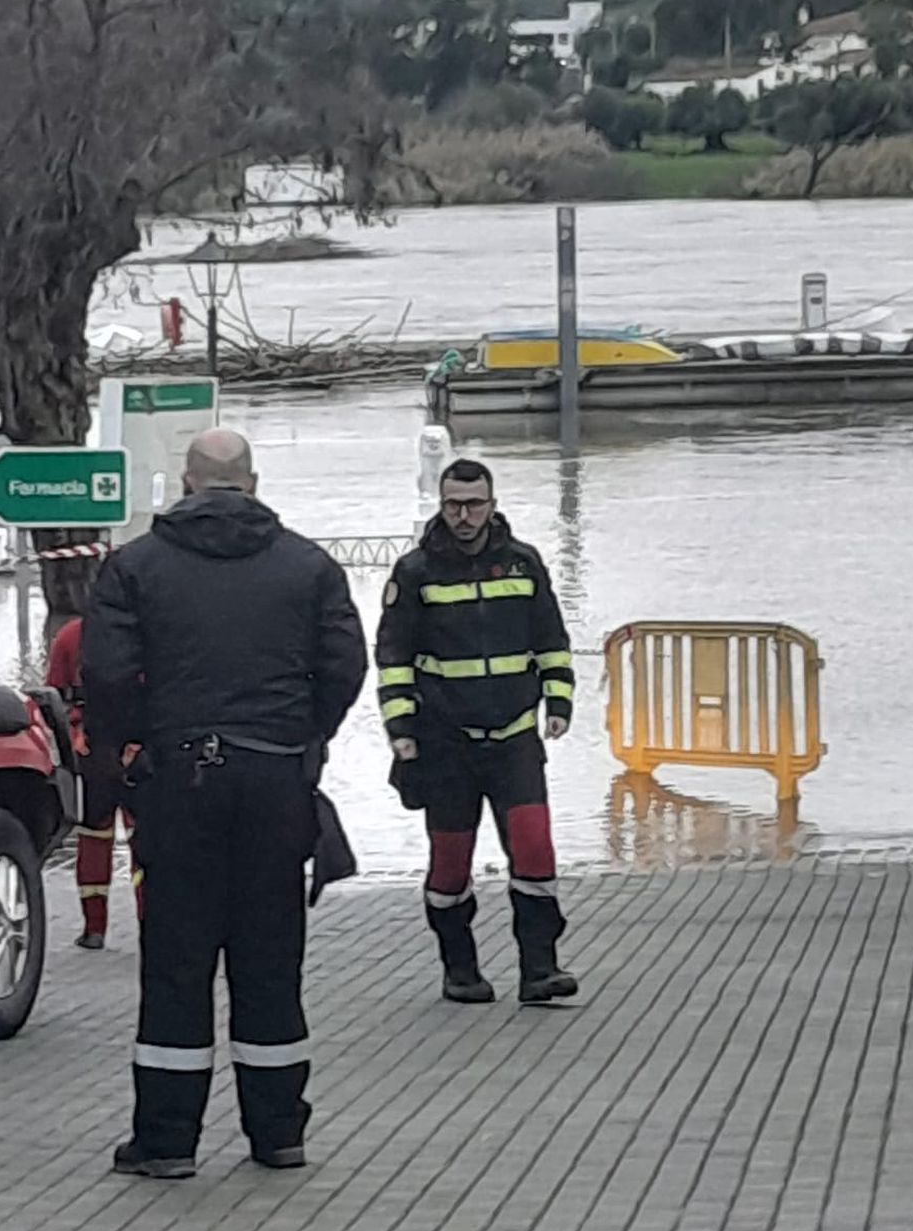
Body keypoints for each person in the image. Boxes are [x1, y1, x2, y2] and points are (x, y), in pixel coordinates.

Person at [83, 428, 367, 1180]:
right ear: (253, 480)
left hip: (181, 783)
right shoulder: (308, 566)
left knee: (177, 963)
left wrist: (143, 745)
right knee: (271, 959)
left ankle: (168, 1139)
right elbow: (345, 665)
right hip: (277, 783)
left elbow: (106, 675)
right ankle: (278, 1131)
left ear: (185, 483)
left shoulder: (135, 566)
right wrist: (302, 736)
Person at [376, 456, 578, 1006]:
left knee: (535, 851)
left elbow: (551, 639)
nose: (463, 515)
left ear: (492, 504)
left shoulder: (523, 564)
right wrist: (401, 728)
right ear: (441, 506)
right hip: (445, 743)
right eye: (453, 505)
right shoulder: (415, 572)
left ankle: (540, 968)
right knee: (450, 863)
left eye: (473, 504)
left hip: (515, 735)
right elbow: (393, 657)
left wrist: (559, 700)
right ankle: (459, 968)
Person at [46, 610, 139, 950]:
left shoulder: (71, 635)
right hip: (137, 750)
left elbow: (51, 696)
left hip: (88, 750)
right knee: (144, 843)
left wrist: (67, 741)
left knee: (93, 839)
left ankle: (94, 928)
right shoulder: (151, 630)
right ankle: (151, 924)